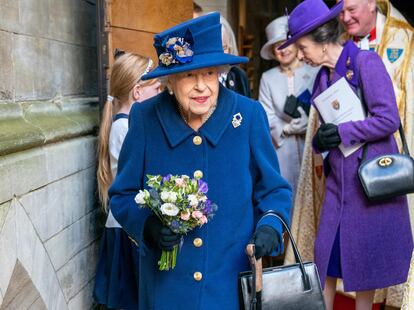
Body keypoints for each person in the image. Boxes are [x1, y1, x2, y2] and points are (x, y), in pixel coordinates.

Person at [95, 12, 292, 310]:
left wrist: (269, 226)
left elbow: (274, 190)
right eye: (189, 75)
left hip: (228, 286)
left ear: (221, 72)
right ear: (170, 81)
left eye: (209, 73)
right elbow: (122, 195)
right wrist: (147, 226)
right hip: (166, 290)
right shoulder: (146, 119)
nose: (202, 86)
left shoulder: (249, 116)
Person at [279, 0, 413, 309]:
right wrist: (321, 142)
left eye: (302, 46)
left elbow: (389, 119)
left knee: (363, 273)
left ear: (321, 41)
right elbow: (322, 138)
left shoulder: (366, 63)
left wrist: (342, 132)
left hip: (367, 189)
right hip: (337, 190)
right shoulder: (322, 77)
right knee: (326, 264)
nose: (300, 54)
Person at [94, 51, 161, 309]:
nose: (159, 94)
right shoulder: (124, 128)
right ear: (137, 92)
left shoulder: (126, 124)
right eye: (155, 89)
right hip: (126, 229)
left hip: (127, 227)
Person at [259, 16, 319, 195]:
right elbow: (265, 113)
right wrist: (285, 128)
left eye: (286, 43)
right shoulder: (267, 78)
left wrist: (310, 123)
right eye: (276, 46)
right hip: (282, 148)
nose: (282, 50)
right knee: (286, 194)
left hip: (312, 145)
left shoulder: (316, 71)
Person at [219, 15, 252, 97]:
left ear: (230, 47)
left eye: (224, 48)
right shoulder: (199, 77)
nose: (220, 53)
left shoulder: (239, 75)